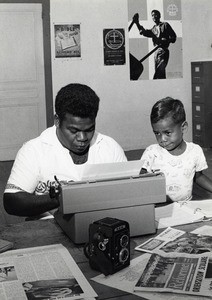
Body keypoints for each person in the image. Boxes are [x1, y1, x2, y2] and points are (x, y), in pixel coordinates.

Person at [3, 83, 127, 217]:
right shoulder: (34, 150)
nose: (82, 138)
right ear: (57, 121)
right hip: (50, 227)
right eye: (74, 131)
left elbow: (129, 191)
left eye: (89, 129)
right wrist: (62, 198)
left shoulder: (109, 147)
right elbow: (12, 202)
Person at [140, 97, 212, 202]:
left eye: (167, 132)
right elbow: (139, 177)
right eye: (157, 133)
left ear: (183, 128)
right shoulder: (152, 153)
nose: (162, 139)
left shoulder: (195, 151)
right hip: (159, 207)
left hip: (186, 207)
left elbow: (198, 177)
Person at [133, 10, 176, 79]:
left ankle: (155, 81)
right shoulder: (153, 29)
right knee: (160, 73)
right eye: (152, 15)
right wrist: (137, 23)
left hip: (163, 51)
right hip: (156, 53)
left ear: (159, 16)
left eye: (155, 14)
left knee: (160, 70)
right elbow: (144, 32)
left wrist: (167, 40)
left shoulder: (165, 25)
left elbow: (173, 37)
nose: (154, 16)